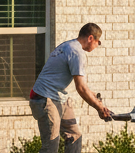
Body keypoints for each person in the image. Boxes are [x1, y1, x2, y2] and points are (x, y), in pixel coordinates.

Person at [29, 22, 111, 153]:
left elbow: (83, 87)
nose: (97, 45)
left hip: (58, 97)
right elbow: (81, 88)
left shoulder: (68, 45)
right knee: (50, 145)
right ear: (90, 38)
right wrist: (99, 108)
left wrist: (97, 101)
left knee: (74, 136)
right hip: (45, 98)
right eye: (98, 42)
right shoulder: (76, 52)